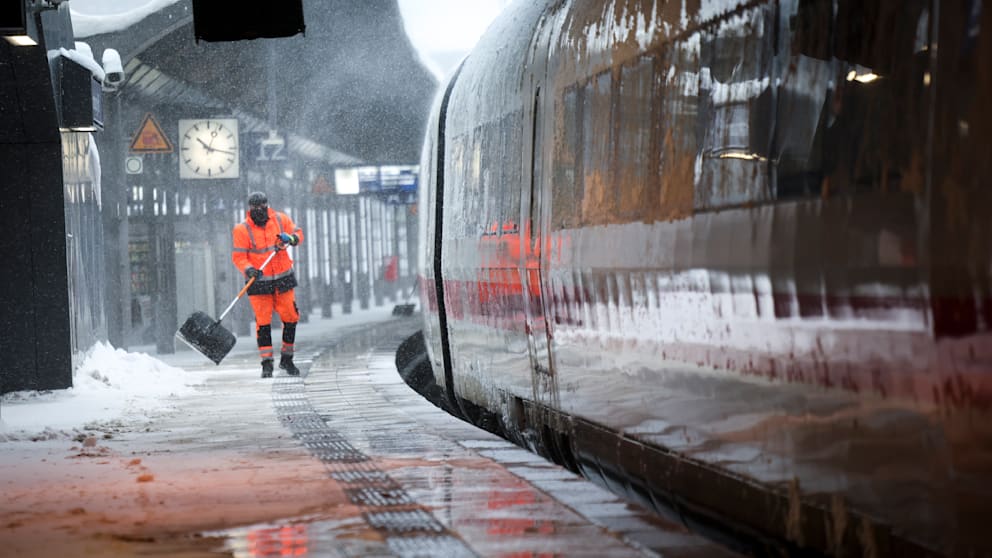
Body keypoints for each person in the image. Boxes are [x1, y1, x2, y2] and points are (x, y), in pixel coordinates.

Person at [231, 191, 304, 378]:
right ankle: (267, 363)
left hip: (283, 279)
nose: (259, 210)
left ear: (267, 204)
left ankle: (287, 359)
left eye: (262, 205)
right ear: (249, 208)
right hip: (259, 283)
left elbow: (298, 234)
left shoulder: (280, 220)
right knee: (263, 322)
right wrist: (248, 269)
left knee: (291, 317)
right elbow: (239, 257)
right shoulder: (242, 230)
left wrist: (292, 239)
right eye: (255, 207)